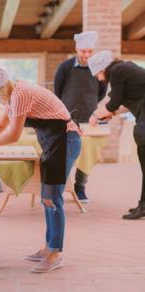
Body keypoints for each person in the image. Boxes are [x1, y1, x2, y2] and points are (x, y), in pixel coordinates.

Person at [0, 64, 81, 272]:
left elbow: (12, 135)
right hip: (52, 142)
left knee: (52, 198)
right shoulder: (14, 94)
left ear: (1, 87)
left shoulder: (21, 94)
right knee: (46, 197)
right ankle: (49, 247)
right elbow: (1, 126)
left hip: (65, 140)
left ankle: (56, 253)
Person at [88, 50, 145, 220]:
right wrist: (108, 113)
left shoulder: (118, 71)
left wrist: (96, 115)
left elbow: (113, 104)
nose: (99, 79)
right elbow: (123, 104)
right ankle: (143, 205)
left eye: (97, 74)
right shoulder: (124, 69)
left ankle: (143, 206)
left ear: (103, 68)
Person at [54, 31, 107, 203]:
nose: (87, 55)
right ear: (77, 49)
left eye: (90, 51)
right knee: (65, 153)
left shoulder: (98, 68)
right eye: (83, 51)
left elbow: (101, 93)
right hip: (67, 118)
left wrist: (91, 105)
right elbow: (57, 91)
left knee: (88, 152)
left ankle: (80, 186)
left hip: (89, 118)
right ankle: (61, 186)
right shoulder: (65, 66)